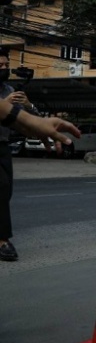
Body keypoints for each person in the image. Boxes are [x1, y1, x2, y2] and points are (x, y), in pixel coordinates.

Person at [0, 49, 41, 261]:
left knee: (6, 192)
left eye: (6, 65)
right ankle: (3, 240)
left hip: (3, 145)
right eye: (0, 66)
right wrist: (5, 103)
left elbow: (30, 119)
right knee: (1, 188)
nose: (4, 69)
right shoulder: (5, 94)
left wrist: (28, 105)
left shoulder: (8, 88)